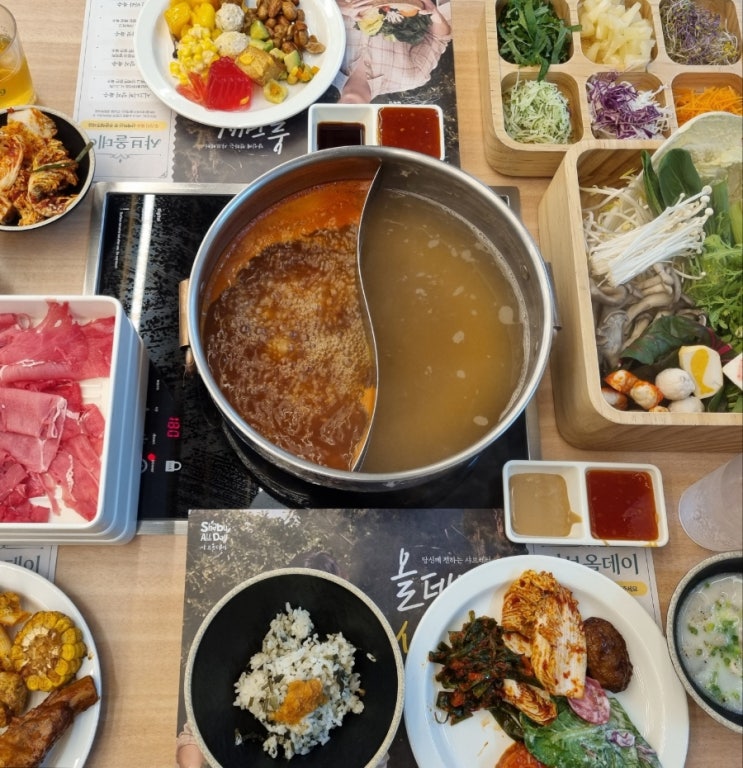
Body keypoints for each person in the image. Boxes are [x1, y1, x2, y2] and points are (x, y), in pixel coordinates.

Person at [334, 0, 452, 102]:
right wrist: (433, 13)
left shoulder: (325, 65)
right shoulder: (410, 77)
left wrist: (337, 6)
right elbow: (438, 38)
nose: (349, 114)